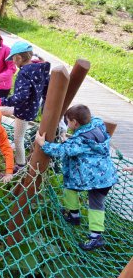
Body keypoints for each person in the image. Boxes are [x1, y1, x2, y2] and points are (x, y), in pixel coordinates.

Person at [35, 104, 118, 251]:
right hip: (105, 175)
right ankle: (74, 215)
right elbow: (83, 142)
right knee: (70, 186)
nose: (67, 124)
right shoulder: (97, 124)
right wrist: (70, 138)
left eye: (68, 121)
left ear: (75, 122)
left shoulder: (80, 140)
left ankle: (96, 236)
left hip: (96, 180)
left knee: (96, 205)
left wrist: (43, 144)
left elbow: (63, 150)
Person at [0, 41, 50, 172]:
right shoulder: (39, 69)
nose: (13, 61)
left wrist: (3, 100)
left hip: (23, 111)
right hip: (31, 108)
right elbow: (45, 87)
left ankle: (20, 166)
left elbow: (22, 97)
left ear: (19, 58)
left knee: (18, 139)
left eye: (13, 58)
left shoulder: (24, 73)